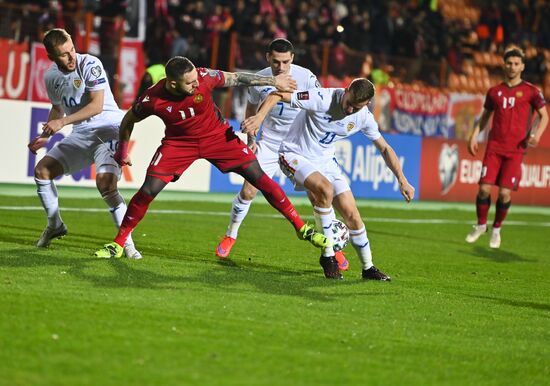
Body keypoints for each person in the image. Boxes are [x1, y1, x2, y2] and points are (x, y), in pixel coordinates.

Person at [93, 56, 330, 259]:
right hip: (179, 145)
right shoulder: (152, 99)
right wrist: (122, 151)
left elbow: (236, 78)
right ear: (173, 84)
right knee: (147, 191)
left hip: (218, 137)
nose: (197, 83)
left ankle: (301, 228)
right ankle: (118, 243)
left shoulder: (205, 77)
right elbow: (128, 121)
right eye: (190, 82)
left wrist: (272, 81)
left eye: (196, 77)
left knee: (260, 178)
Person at [242, 78, 415, 280]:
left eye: (356, 107)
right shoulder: (323, 98)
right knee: (325, 190)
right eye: (349, 103)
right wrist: (259, 118)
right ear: (346, 89)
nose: (350, 110)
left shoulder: (364, 118)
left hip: (326, 162)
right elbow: (277, 94)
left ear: (366, 105)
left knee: (352, 215)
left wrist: (402, 179)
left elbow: (385, 148)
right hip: (294, 154)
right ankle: (328, 256)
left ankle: (368, 268)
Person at [215, 38, 349, 270]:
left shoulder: (306, 77)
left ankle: (331, 248)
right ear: (268, 58)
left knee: (317, 195)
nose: (281, 67)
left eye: (286, 62)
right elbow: (251, 109)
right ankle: (231, 235)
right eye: (276, 62)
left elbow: (319, 105)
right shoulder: (260, 78)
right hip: (269, 142)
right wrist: (251, 139)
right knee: (249, 190)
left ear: (292, 59)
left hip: (299, 143)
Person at [27, 28, 141, 259]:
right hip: (81, 133)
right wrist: (45, 136)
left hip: (109, 129)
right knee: (42, 171)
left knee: (106, 184)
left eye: (72, 50)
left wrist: (62, 122)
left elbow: (96, 106)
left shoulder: (90, 64)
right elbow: (57, 108)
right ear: (51, 57)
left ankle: (128, 245)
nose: (71, 57)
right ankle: (54, 224)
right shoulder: (51, 76)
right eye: (64, 55)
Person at [466, 47, 548, 248]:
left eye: (516, 64)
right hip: (494, 147)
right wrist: (473, 135)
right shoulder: (494, 92)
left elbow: (544, 116)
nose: (512, 67)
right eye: (509, 63)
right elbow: (485, 117)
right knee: (484, 189)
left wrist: (537, 135)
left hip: (515, 150)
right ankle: (481, 225)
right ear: (504, 65)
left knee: (504, 193)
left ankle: (496, 229)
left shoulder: (531, 91)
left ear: (522, 66)